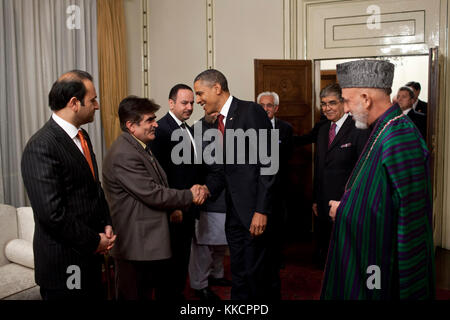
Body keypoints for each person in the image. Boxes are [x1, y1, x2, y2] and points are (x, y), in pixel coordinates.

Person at [321, 60, 435, 299]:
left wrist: (343, 210)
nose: (347, 109)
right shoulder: (383, 128)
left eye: (347, 101)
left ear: (365, 98)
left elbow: (406, 214)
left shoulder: (400, 137)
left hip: (385, 262)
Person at [21, 70, 115, 300]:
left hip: (89, 256)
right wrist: (95, 242)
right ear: (74, 103)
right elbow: (52, 214)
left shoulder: (83, 137)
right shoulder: (41, 146)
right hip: (64, 263)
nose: (97, 105)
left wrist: (106, 223)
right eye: (93, 100)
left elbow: (93, 188)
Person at [102, 96, 207, 300]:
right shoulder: (124, 153)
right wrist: (190, 195)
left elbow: (158, 186)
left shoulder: (139, 146)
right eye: (150, 120)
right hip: (134, 245)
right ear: (131, 125)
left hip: (145, 243)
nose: (155, 124)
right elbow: (153, 193)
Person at [194, 69, 278, 300]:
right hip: (234, 214)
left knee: (256, 275)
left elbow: (269, 164)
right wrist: (207, 189)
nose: (198, 99)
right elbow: (223, 170)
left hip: (254, 214)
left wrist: (261, 210)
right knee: (240, 272)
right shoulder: (218, 122)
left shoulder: (250, 111)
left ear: (217, 88)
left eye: (200, 93)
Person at [148, 84, 202, 300]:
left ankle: (177, 293)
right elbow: (158, 174)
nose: (189, 107)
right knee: (170, 261)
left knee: (182, 256)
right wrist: (172, 207)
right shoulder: (160, 129)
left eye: (191, 102)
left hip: (188, 206)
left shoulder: (188, 128)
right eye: (184, 103)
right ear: (171, 103)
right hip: (173, 209)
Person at [312, 83, 369, 269]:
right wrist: (315, 199)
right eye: (323, 104)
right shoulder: (321, 130)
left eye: (332, 103)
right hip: (322, 202)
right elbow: (319, 167)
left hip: (346, 203)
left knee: (346, 254)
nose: (327, 108)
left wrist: (350, 201)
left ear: (343, 104)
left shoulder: (359, 128)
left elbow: (362, 171)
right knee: (325, 250)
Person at [188, 112, 230, 301]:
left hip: (228, 197)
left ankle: (217, 274)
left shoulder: (232, 126)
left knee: (221, 242)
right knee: (204, 244)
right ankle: (200, 284)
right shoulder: (197, 130)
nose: (215, 113)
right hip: (208, 195)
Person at [257, 91, 293, 269]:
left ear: (276, 108)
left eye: (269, 105)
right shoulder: (251, 128)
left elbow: (286, 157)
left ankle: (276, 259)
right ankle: (261, 260)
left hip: (280, 187)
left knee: (278, 225)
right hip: (258, 187)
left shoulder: (286, 128)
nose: (265, 109)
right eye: (261, 105)